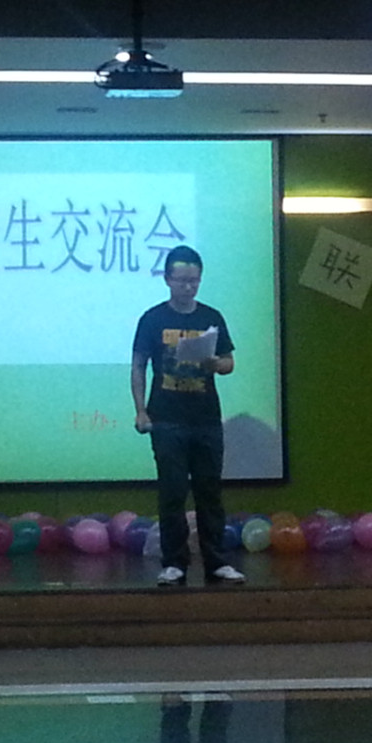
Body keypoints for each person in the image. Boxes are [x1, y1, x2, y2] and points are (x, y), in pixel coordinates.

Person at [130, 245, 246, 587]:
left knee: (210, 493)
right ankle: (174, 563)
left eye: (194, 280)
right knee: (173, 493)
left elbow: (229, 363)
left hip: (206, 419)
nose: (188, 286)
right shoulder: (153, 319)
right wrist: (140, 410)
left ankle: (217, 562)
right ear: (167, 279)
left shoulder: (211, 317)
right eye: (181, 280)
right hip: (166, 418)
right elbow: (138, 366)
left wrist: (216, 363)